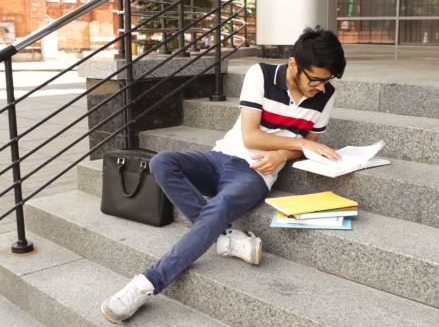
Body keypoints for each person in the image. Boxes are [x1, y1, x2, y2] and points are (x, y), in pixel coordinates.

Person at [100, 25, 347, 324]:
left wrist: (284, 153)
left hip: (254, 174)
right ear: (294, 64)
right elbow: (251, 137)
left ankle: (147, 283)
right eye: (316, 79)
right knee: (162, 162)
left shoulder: (325, 95)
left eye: (327, 80)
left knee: (220, 205)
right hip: (218, 158)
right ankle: (225, 237)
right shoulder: (261, 74)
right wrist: (300, 142)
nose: (321, 87)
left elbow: (311, 148)